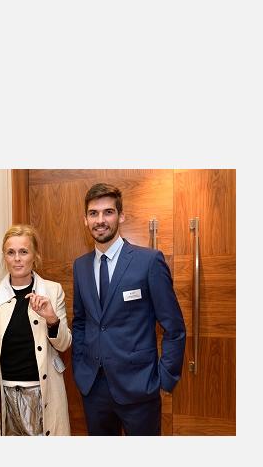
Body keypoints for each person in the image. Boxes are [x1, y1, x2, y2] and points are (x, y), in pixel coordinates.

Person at [71, 183, 186, 435]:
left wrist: (165, 378)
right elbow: (80, 321)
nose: (100, 220)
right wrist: (80, 368)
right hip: (93, 388)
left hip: (140, 388)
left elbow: (174, 327)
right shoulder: (80, 266)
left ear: (121, 216)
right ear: (85, 219)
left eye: (108, 212)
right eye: (93, 213)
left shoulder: (149, 261)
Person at [0, 225, 72, 436]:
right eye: (11, 252)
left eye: (24, 252)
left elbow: (64, 344)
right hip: (3, 395)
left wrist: (51, 318)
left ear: (35, 256)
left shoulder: (53, 291)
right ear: (4, 257)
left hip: (44, 393)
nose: (17, 259)